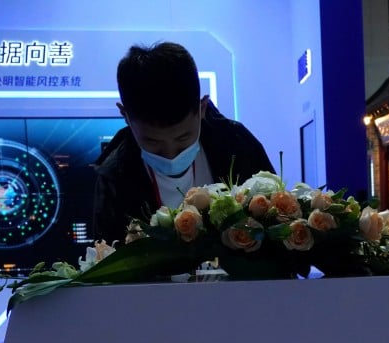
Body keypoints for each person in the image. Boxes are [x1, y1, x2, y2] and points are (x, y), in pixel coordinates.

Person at [93, 42, 274, 243]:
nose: (171, 154)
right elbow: (109, 258)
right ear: (125, 115)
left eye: (183, 138)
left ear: (202, 108)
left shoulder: (239, 147)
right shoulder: (114, 178)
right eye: (152, 142)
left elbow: (277, 231)